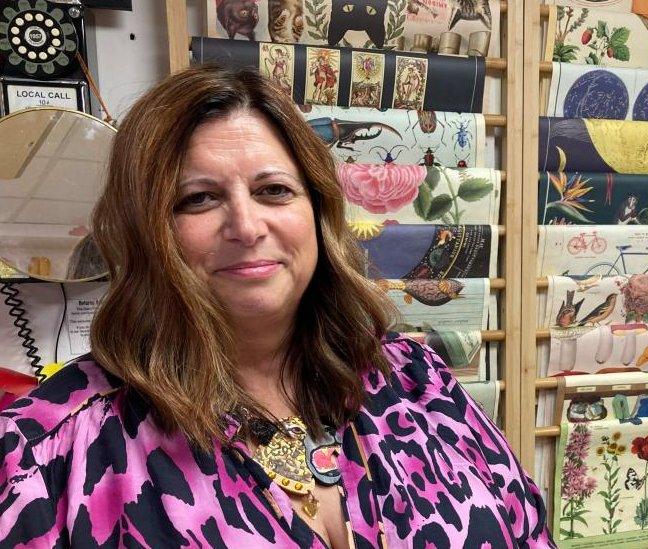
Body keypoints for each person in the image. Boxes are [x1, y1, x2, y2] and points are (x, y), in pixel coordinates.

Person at [0, 66, 553, 548]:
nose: (246, 226)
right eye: (199, 199)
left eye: (273, 191)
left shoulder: (416, 379)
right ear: (143, 231)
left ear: (318, 211)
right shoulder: (44, 455)